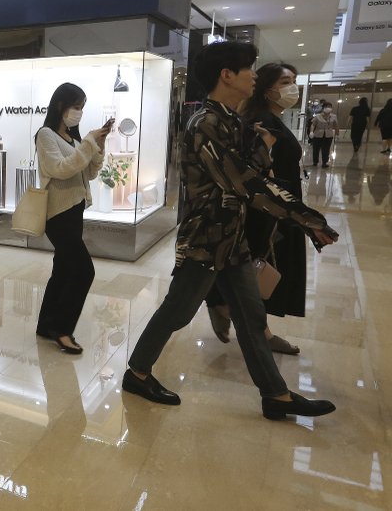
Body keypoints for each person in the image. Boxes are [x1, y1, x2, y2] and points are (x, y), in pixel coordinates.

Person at [122, 41, 339, 420]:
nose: (254, 76)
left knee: (252, 317)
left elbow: (247, 173)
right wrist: (307, 219)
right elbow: (245, 182)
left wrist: (262, 146)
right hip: (206, 239)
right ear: (226, 75)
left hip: (231, 239)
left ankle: (275, 395)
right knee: (178, 311)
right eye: (248, 69)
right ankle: (137, 373)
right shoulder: (204, 123)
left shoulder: (232, 121)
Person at [205, 63, 305, 355]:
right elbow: (251, 170)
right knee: (259, 266)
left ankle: (228, 308)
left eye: (293, 80)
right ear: (266, 88)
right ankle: (255, 329)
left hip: (278, 202)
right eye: (285, 81)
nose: (292, 87)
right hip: (267, 206)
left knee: (259, 268)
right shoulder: (260, 121)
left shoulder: (270, 119)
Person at [34, 83, 111, 354]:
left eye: (81, 108)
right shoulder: (45, 135)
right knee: (83, 270)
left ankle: (46, 325)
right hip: (57, 214)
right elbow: (60, 169)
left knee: (64, 269)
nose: (79, 112)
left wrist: (97, 147)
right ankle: (63, 330)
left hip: (74, 211)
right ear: (60, 105)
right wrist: (88, 144)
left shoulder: (73, 139)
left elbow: (88, 173)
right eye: (76, 106)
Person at [309, 101, 338, 168]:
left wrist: (337, 134)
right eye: (326, 107)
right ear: (323, 108)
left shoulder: (333, 116)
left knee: (326, 149)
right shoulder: (318, 116)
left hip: (328, 135)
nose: (328, 108)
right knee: (316, 149)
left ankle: (324, 162)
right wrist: (311, 131)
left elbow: (336, 126)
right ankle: (315, 162)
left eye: (330, 107)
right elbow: (313, 125)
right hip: (318, 134)